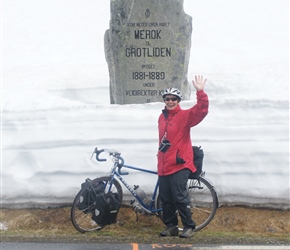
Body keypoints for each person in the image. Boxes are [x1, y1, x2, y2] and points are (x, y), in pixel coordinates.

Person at [157, 75, 209, 238]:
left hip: (180, 164)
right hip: (164, 165)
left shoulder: (185, 116)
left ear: (178, 101)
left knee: (180, 197)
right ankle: (171, 226)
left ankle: (189, 226)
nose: (170, 101)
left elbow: (201, 111)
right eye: (167, 99)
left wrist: (200, 92)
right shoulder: (161, 117)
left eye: (174, 99)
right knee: (166, 199)